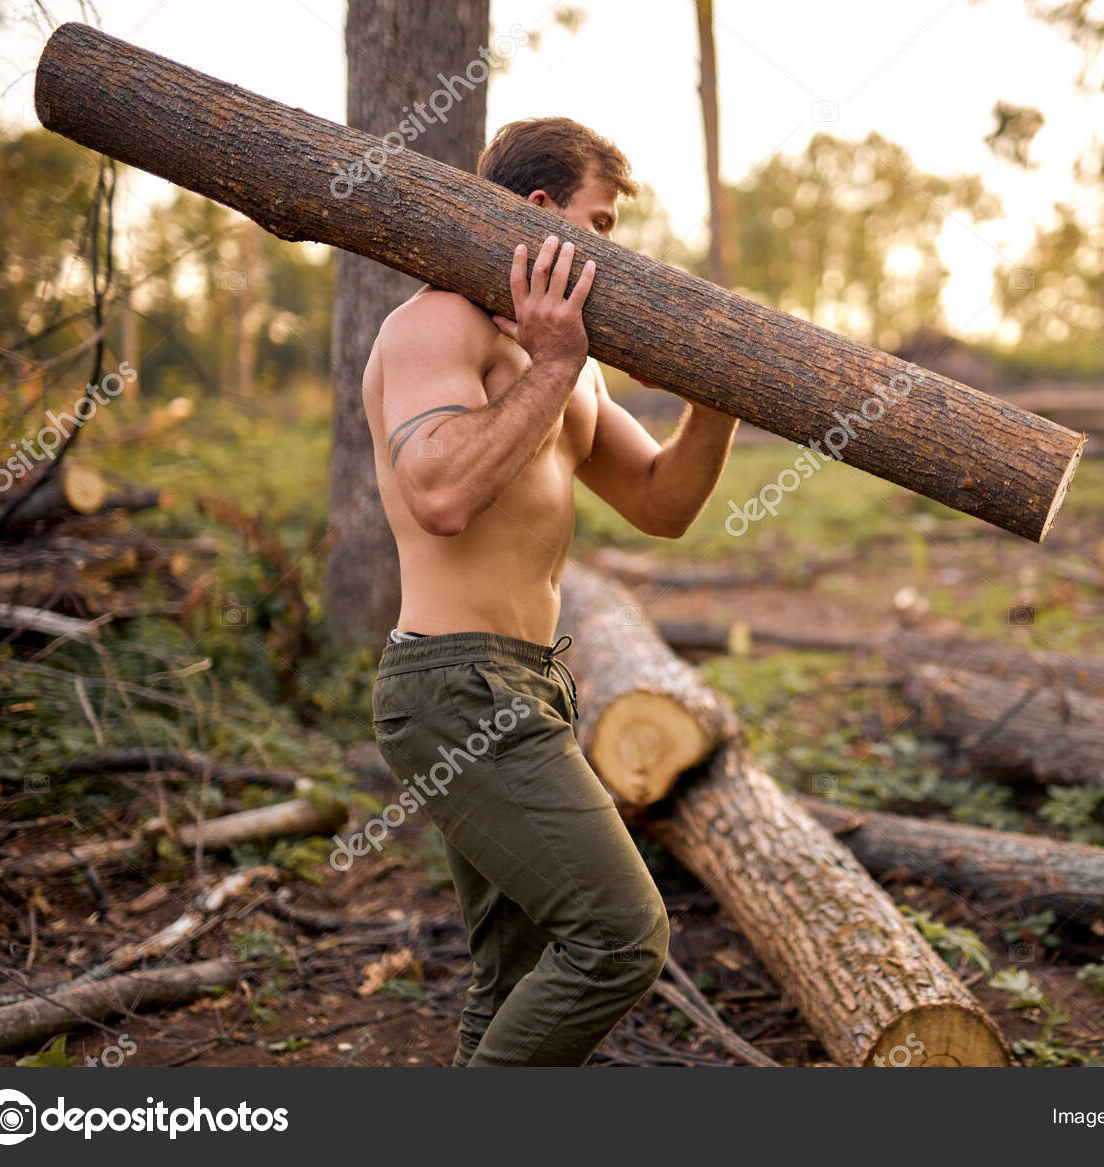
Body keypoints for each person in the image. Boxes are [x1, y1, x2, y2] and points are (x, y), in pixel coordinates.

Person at [362, 117, 738, 1066]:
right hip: (455, 689)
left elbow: (661, 502)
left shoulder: (565, 369)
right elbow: (440, 492)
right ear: (540, 214)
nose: (612, 255)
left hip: (528, 684)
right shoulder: (433, 324)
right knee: (621, 936)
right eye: (599, 226)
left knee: (513, 974)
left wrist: (719, 398)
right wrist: (559, 363)